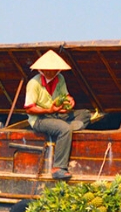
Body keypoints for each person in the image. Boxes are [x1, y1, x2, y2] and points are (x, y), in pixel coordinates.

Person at [24, 50, 91, 179]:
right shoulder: (34, 83)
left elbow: (65, 96)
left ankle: (65, 133)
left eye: (53, 70)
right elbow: (29, 109)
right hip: (40, 119)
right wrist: (49, 110)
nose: (50, 72)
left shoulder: (60, 79)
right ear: (41, 70)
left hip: (56, 116)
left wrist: (70, 101)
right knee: (64, 129)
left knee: (85, 114)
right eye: (47, 70)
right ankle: (58, 168)